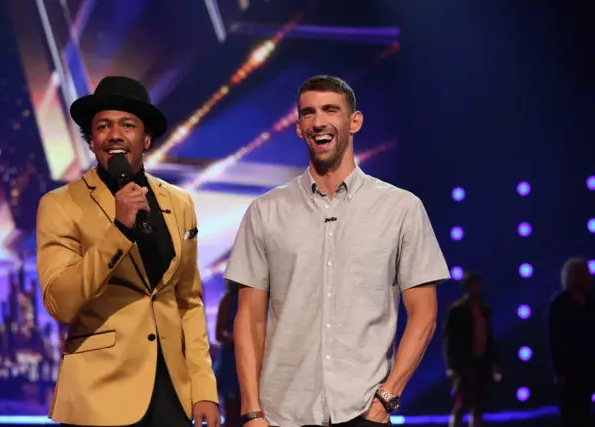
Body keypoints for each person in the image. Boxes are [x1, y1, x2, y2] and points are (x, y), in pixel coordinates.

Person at [224, 75, 450, 427]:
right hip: (283, 413)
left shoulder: (400, 208)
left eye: (331, 109)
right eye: (308, 113)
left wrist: (386, 399)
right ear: (299, 127)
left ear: (354, 121)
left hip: (364, 411)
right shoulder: (265, 211)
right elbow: (249, 319)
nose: (318, 122)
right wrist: (252, 412)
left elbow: (424, 314)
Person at [35, 76, 220, 427]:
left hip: (172, 395)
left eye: (127, 125)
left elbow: (189, 302)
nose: (114, 134)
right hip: (100, 396)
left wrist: (204, 388)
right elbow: (60, 303)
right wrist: (118, 230)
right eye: (103, 126)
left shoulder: (179, 203)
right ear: (92, 142)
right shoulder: (60, 205)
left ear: (146, 139)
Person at [443, 271, 501, 427]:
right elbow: (450, 340)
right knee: (462, 402)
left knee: (479, 403)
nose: (476, 290)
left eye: (478, 287)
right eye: (473, 287)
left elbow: (489, 338)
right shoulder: (457, 311)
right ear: (467, 288)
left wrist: (495, 363)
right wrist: (451, 365)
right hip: (465, 364)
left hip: (482, 362)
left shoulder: (484, 310)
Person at [547, 257, 595, 427]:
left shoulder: (590, 302)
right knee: (571, 414)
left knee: (586, 411)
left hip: (588, 367)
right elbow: (555, 339)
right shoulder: (560, 303)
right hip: (569, 369)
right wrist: (559, 371)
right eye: (584, 275)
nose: (589, 278)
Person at [213, 281, 241, 427]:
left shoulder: (262, 299)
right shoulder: (229, 299)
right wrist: (237, 340)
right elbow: (219, 333)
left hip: (256, 360)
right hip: (232, 362)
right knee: (232, 412)